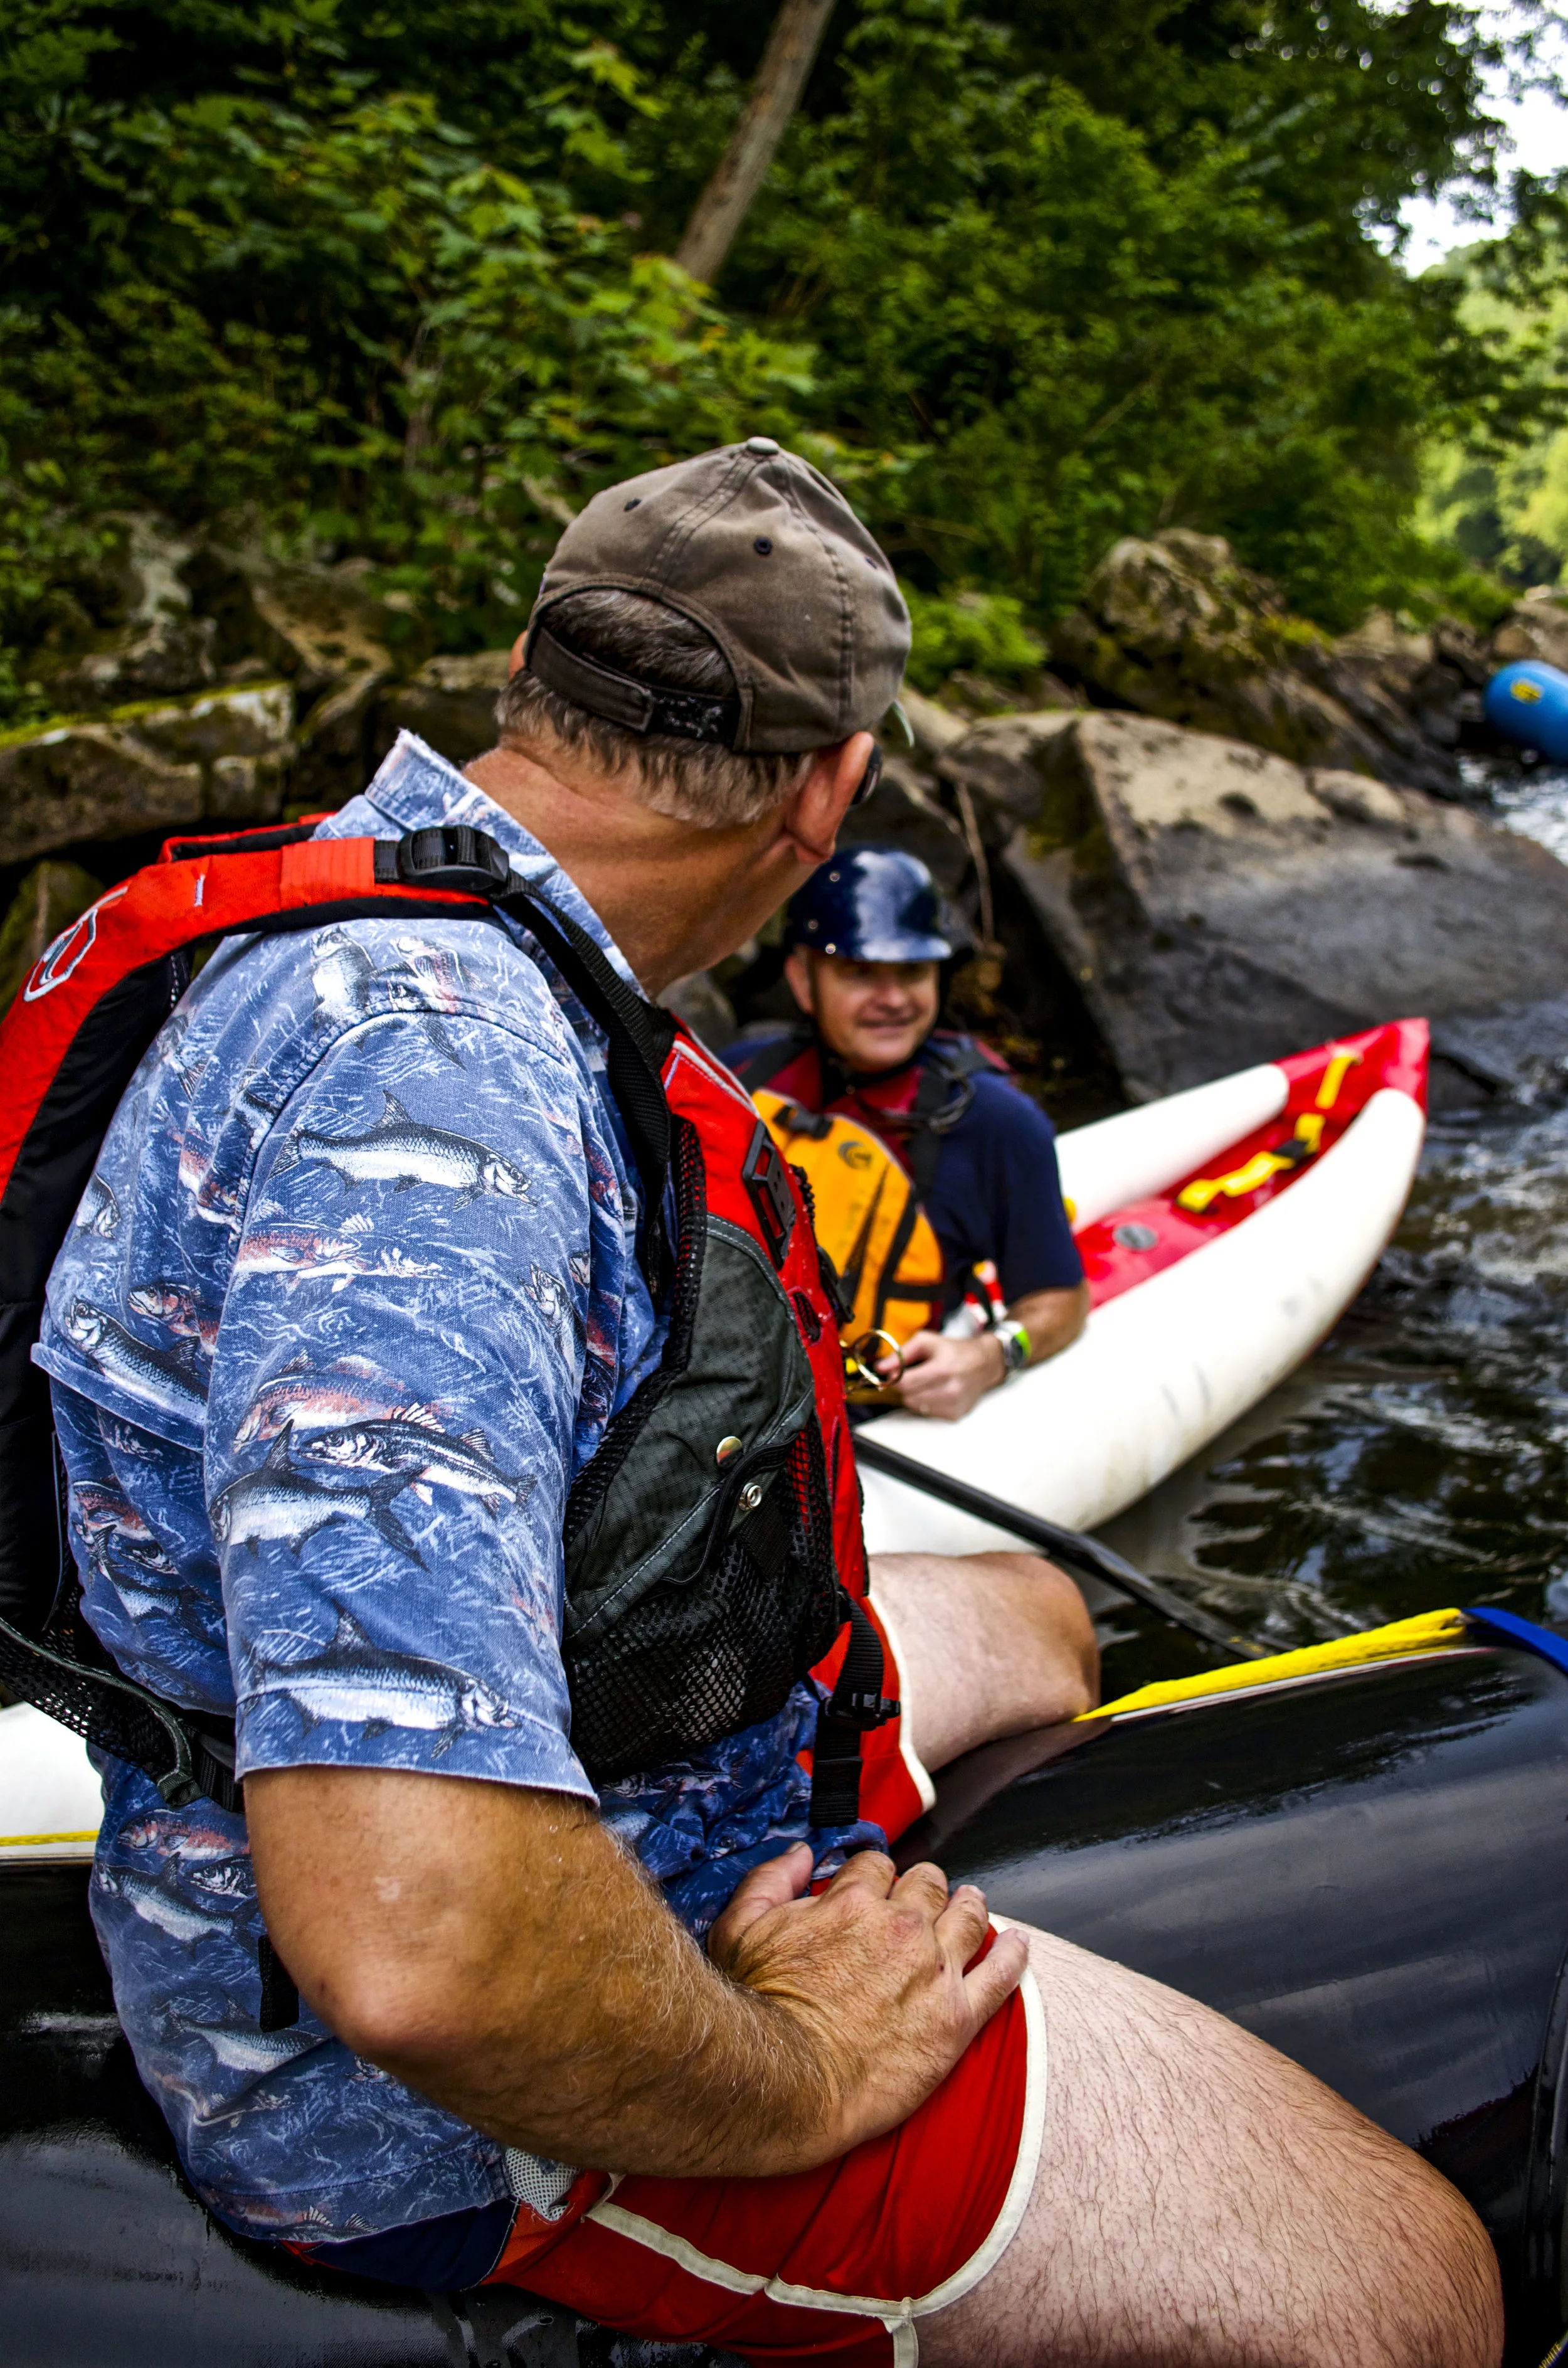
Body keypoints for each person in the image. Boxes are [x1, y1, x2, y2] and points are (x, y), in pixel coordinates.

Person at [36, 439, 1500, 2368]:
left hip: (631, 1712)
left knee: (1040, 1616)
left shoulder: (396, 914)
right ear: (830, 784)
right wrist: (804, 2061)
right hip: (427, 2095)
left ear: (526, 674)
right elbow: (420, 1940)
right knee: (1413, 2288)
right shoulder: (437, 1088)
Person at [725, 849, 1091, 1420]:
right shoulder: (736, 1076)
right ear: (802, 978)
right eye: (859, 972)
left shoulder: (1000, 1124)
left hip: (869, 1410)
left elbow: (1062, 1298)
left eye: (913, 972)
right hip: (724, 1391)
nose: (894, 999)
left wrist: (993, 1355)